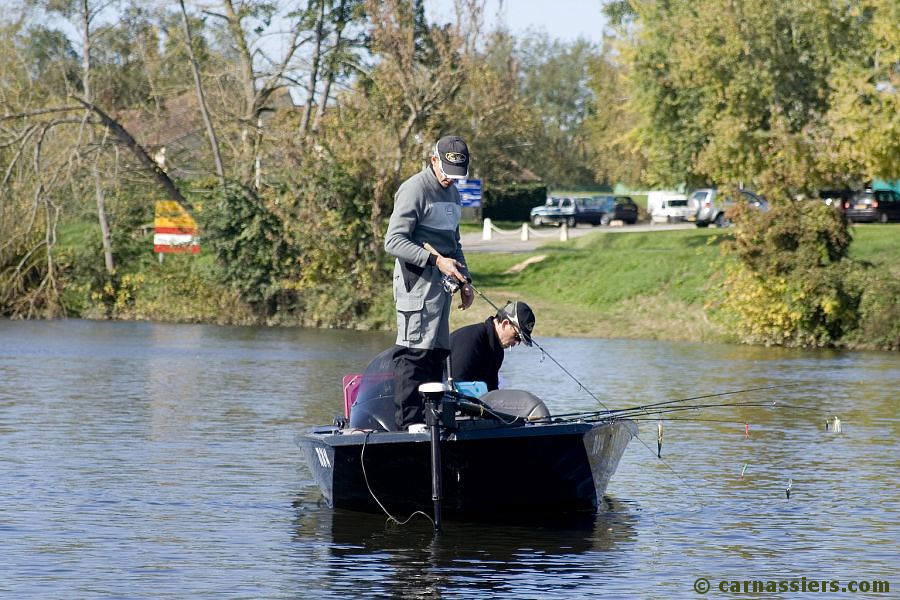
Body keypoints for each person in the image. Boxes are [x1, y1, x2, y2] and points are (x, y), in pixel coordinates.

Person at [384, 135, 475, 430]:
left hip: (442, 288)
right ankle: (408, 424)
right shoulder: (414, 189)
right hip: (416, 282)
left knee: (437, 353)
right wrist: (436, 261)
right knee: (414, 352)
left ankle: (430, 420)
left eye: (457, 175)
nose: (451, 180)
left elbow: (454, 241)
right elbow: (393, 241)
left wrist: (465, 280)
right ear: (434, 160)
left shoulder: (454, 194)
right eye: (447, 173)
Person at [449, 301, 536, 392]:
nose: (517, 343)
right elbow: (456, 386)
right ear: (505, 324)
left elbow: (492, 392)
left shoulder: (497, 351)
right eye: (517, 336)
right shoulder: (471, 339)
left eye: (520, 340)